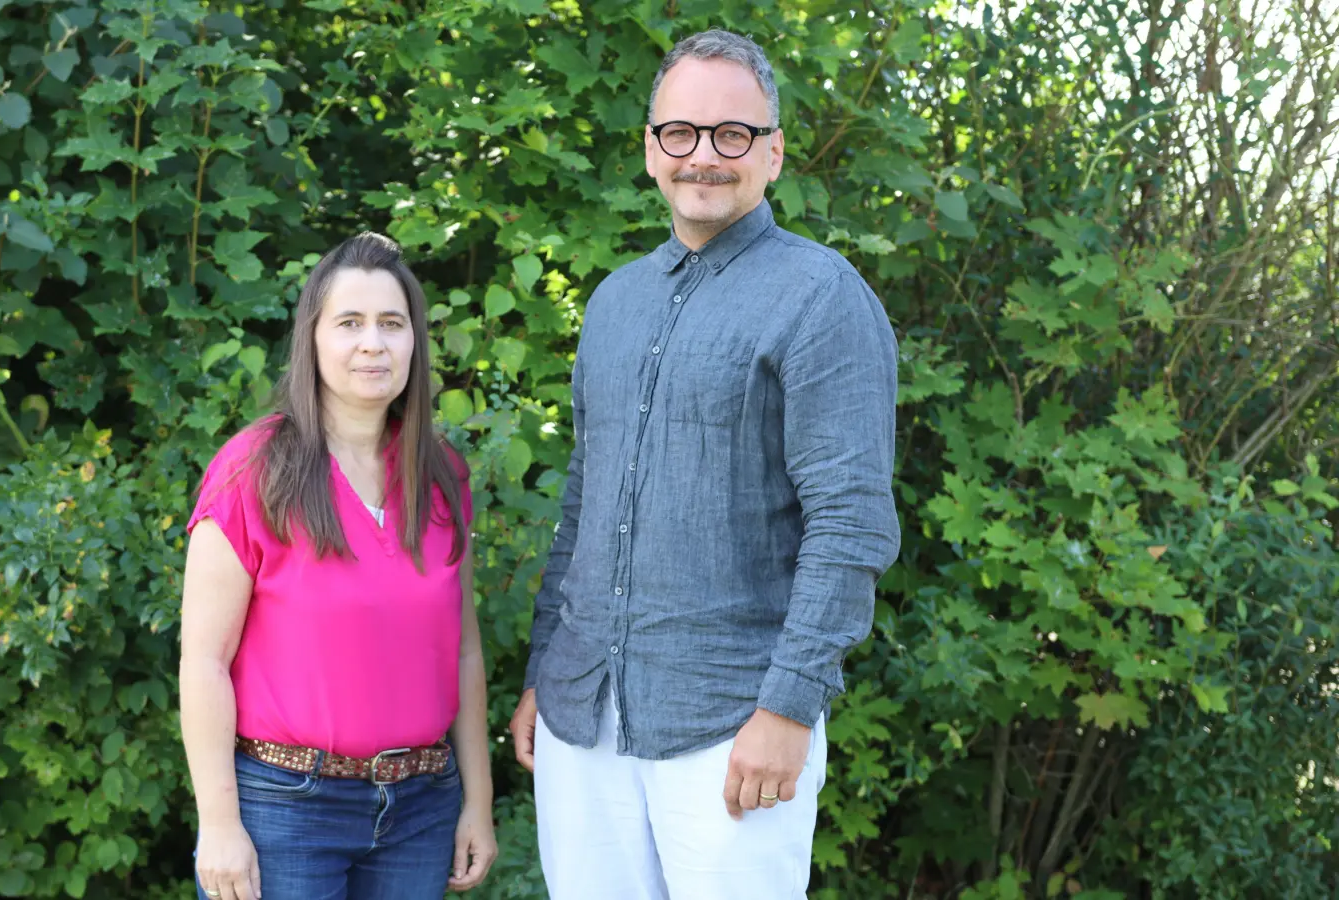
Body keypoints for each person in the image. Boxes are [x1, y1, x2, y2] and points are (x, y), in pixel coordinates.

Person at [508, 28, 901, 900]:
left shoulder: (822, 297)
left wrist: (789, 707)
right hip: (583, 718)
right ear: (652, 148)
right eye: (681, 132)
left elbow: (851, 524)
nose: (704, 156)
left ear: (773, 152)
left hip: (732, 723)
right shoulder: (613, 302)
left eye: (733, 134)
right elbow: (583, 506)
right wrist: (545, 671)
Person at [179, 232, 497, 900]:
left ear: (415, 342)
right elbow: (204, 661)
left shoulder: (441, 474)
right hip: (285, 809)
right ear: (313, 338)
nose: (372, 344)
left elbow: (464, 650)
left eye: (392, 324)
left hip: (421, 809)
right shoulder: (253, 470)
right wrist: (219, 824)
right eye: (349, 323)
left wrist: (478, 799)